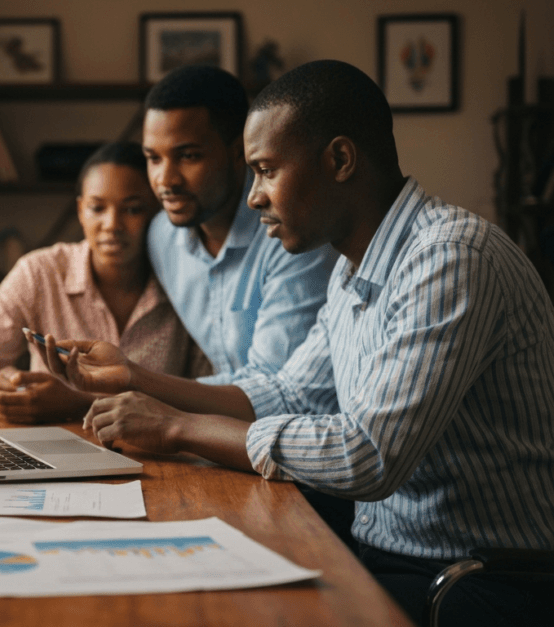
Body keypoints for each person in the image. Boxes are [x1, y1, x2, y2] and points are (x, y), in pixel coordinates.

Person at [34, 60, 554, 626]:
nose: (254, 197)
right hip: (387, 558)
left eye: (265, 170)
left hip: (477, 581)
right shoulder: (351, 270)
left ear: (339, 160)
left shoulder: (451, 256)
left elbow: (368, 455)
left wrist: (177, 425)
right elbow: (288, 392)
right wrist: (137, 378)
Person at [0, 142, 209, 423]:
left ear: (156, 215)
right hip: (51, 452)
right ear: (80, 210)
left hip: (161, 455)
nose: (112, 224)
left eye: (132, 209)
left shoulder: (185, 281)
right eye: (97, 208)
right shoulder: (39, 273)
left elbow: (212, 396)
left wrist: (80, 403)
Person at [141, 65, 337, 384]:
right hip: (218, 426)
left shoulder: (292, 236)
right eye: (153, 158)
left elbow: (276, 385)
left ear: (237, 152)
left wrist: (134, 387)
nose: (165, 180)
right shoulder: (161, 235)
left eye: (188, 156)